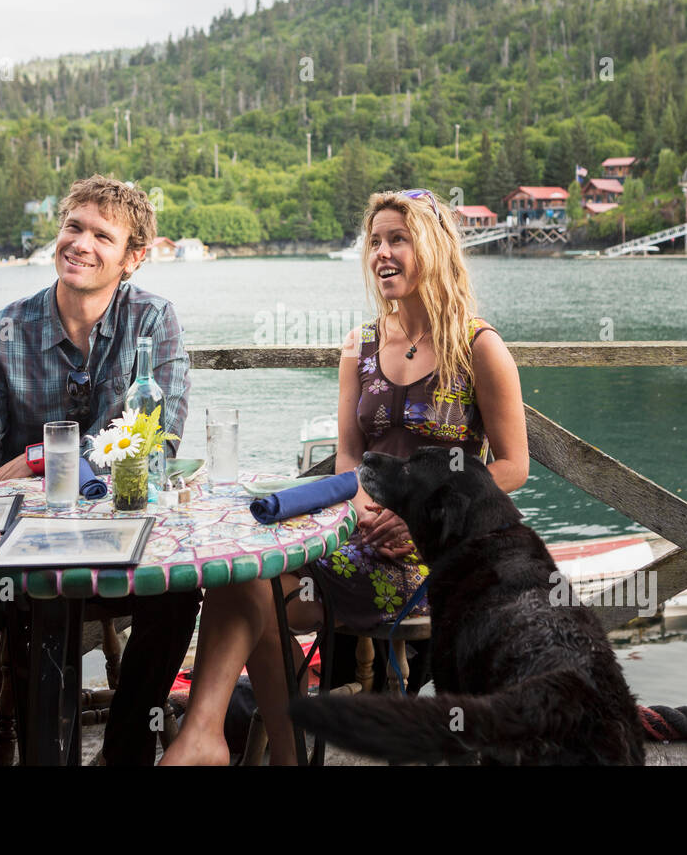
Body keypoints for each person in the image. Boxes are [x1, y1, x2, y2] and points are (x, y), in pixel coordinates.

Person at [162, 188, 530, 765]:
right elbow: (350, 457)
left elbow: (513, 465)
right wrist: (357, 499)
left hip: (438, 554)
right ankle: (241, 742)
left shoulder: (478, 347)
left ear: (432, 248)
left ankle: (237, 743)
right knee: (245, 575)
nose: (383, 253)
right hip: (355, 536)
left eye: (398, 239)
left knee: (256, 592)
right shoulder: (359, 347)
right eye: (375, 241)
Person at [0, 175, 199, 766]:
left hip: (121, 534)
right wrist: (74, 464)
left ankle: (124, 751)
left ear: (132, 258)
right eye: (73, 227)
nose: (80, 243)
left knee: (179, 592)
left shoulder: (154, 323)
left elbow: (154, 444)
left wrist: (31, 459)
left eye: (102, 235)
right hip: (18, 541)